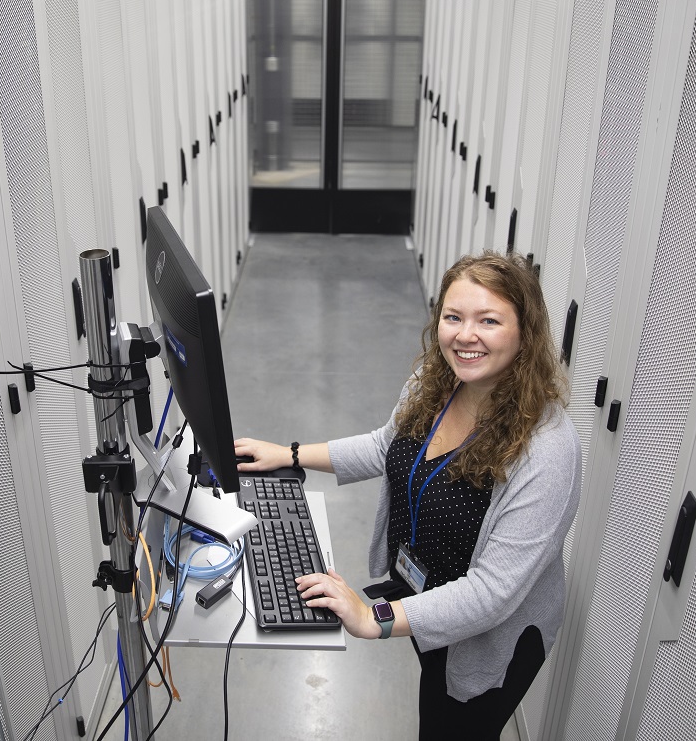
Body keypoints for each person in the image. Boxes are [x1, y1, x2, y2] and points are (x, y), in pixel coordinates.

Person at [234, 250, 581, 739]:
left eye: (489, 320)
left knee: (453, 724)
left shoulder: (547, 449)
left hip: (489, 640)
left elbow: (491, 595)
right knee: (433, 702)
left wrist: (373, 617)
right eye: (453, 317)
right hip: (424, 596)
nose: (465, 336)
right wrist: (289, 455)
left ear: (526, 333)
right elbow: (385, 446)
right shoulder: (437, 383)